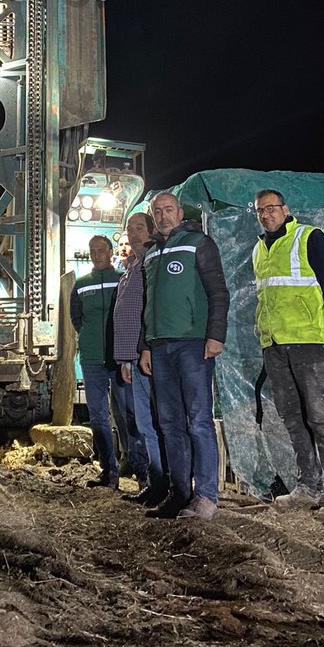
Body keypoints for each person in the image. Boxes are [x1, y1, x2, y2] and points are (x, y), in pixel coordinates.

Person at [252, 189, 324, 522]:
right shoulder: (259, 250)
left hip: (308, 342)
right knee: (293, 419)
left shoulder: (309, 237)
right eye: (260, 211)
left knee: (321, 418)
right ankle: (309, 485)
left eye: (271, 209)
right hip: (274, 345)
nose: (266, 215)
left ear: (285, 209)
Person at [139, 193, 229, 520]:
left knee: (199, 421)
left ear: (179, 212)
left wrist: (215, 334)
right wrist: (145, 345)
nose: (163, 216)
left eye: (168, 210)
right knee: (169, 423)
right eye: (157, 212)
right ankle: (180, 493)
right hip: (160, 347)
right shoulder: (150, 254)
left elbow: (218, 291)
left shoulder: (199, 243)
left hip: (192, 344)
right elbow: (147, 305)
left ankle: (206, 496)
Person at [114, 209, 169, 506]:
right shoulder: (132, 266)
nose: (133, 233)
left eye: (139, 227)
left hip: (147, 354)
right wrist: (124, 358)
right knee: (144, 423)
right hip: (132, 357)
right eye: (129, 228)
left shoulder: (151, 263)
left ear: (150, 231)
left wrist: (142, 348)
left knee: (156, 421)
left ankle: (166, 480)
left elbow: (148, 309)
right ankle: (155, 479)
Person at [70, 234, 128, 489]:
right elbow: (76, 318)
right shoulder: (81, 284)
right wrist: (89, 338)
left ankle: (138, 466)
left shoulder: (123, 280)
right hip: (92, 358)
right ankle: (109, 471)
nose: (96, 255)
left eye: (101, 250)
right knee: (98, 416)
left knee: (127, 413)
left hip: (119, 357)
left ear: (111, 252)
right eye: (92, 250)